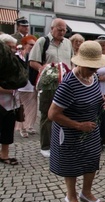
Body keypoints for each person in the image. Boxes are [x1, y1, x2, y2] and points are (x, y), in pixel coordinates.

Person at [48, 41, 105, 202]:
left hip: (90, 128)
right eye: (91, 67)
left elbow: (94, 98)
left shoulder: (93, 77)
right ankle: (71, 196)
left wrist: (103, 102)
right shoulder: (68, 85)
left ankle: (86, 193)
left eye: (96, 67)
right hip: (71, 130)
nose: (95, 70)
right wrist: (78, 125)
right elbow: (52, 114)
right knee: (72, 164)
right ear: (80, 63)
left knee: (91, 160)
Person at [29, 18, 73, 158]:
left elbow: (71, 62)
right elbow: (32, 62)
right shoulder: (42, 41)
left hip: (65, 85)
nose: (62, 32)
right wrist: (44, 69)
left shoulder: (68, 43)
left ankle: (61, 143)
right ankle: (45, 146)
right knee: (47, 115)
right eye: (59, 29)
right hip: (48, 85)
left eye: (64, 30)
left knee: (64, 115)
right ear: (52, 28)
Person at [0, 35, 20, 165]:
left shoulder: (14, 61)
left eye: (14, 47)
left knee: (7, 129)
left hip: (10, 103)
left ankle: (4, 154)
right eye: (10, 46)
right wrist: (9, 89)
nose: (13, 49)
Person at [15, 35, 38, 138]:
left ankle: (29, 126)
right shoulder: (17, 56)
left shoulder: (35, 57)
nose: (33, 47)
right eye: (31, 45)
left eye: (34, 45)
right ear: (24, 45)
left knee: (32, 109)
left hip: (31, 86)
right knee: (21, 109)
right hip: (20, 86)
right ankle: (22, 128)